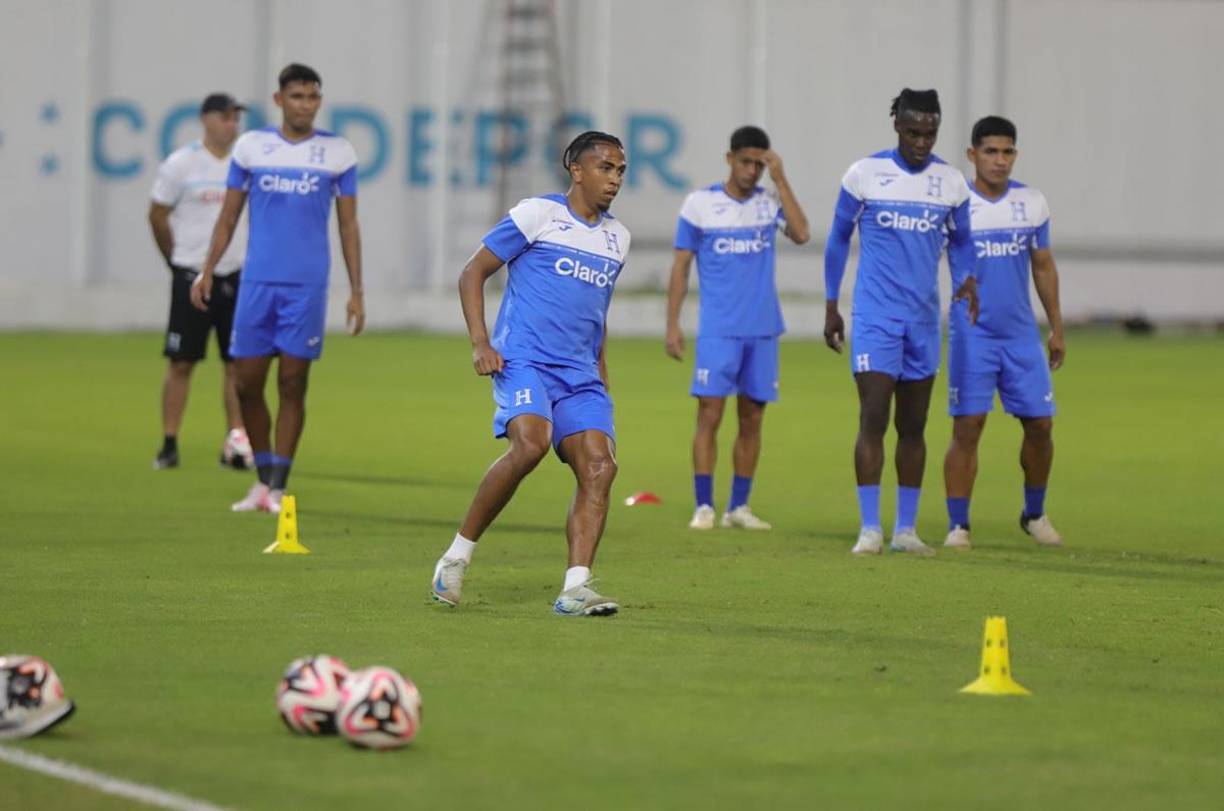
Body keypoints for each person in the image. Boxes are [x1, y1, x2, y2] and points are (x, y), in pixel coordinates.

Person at [430, 131, 630, 617]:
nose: (615, 179)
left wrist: (600, 374)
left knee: (601, 467)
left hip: (580, 375)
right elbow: (472, 272)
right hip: (524, 359)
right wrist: (481, 342)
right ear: (576, 170)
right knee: (530, 445)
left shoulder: (616, 238)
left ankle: (575, 588)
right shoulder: (537, 214)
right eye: (605, 167)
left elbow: (594, 313)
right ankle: (456, 557)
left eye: (621, 170)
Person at [190, 63, 365, 512]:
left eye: (312, 97)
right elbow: (228, 216)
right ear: (279, 100)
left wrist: (356, 290)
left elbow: (348, 226)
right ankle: (263, 477)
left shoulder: (337, 153)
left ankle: (277, 485)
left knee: (292, 382)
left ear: (319, 101)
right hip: (257, 283)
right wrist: (207, 269)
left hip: (306, 286)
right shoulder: (251, 148)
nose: (305, 105)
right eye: (296, 97)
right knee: (246, 383)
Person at [823, 88, 978, 556]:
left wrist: (967, 278)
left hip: (924, 321)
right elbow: (837, 239)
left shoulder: (950, 183)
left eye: (929, 133)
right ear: (896, 125)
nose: (921, 141)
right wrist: (831, 304)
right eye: (913, 132)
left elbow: (963, 241)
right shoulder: (865, 174)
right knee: (873, 416)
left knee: (915, 424)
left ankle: (905, 530)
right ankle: (870, 528)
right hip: (874, 316)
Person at [665, 126, 810, 531]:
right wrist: (672, 324)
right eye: (746, 161)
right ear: (730, 159)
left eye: (760, 164)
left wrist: (781, 178)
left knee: (752, 419)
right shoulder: (700, 203)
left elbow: (802, 234)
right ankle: (704, 505)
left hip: (762, 329)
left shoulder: (769, 202)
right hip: (719, 329)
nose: (752, 171)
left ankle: (739, 507)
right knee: (709, 415)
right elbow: (680, 266)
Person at [943, 116, 1065, 550]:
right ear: (972, 155)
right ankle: (959, 525)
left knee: (1041, 425)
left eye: (1007, 152)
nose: (1000, 160)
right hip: (972, 335)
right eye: (991, 152)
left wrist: (1056, 326)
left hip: (1019, 336)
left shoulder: (1031, 203)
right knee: (968, 426)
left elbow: (1043, 265)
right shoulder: (956, 204)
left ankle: (1033, 513)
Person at [148, 93, 252, 471]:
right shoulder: (182, 164)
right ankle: (169, 442)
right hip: (192, 274)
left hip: (236, 273)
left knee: (237, 364)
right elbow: (157, 214)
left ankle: (236, 443)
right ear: (206, 120)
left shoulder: (245, 161)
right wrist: (176, 262)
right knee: (181, 361)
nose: (231, 124)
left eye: (235, 118)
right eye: (225, 117)